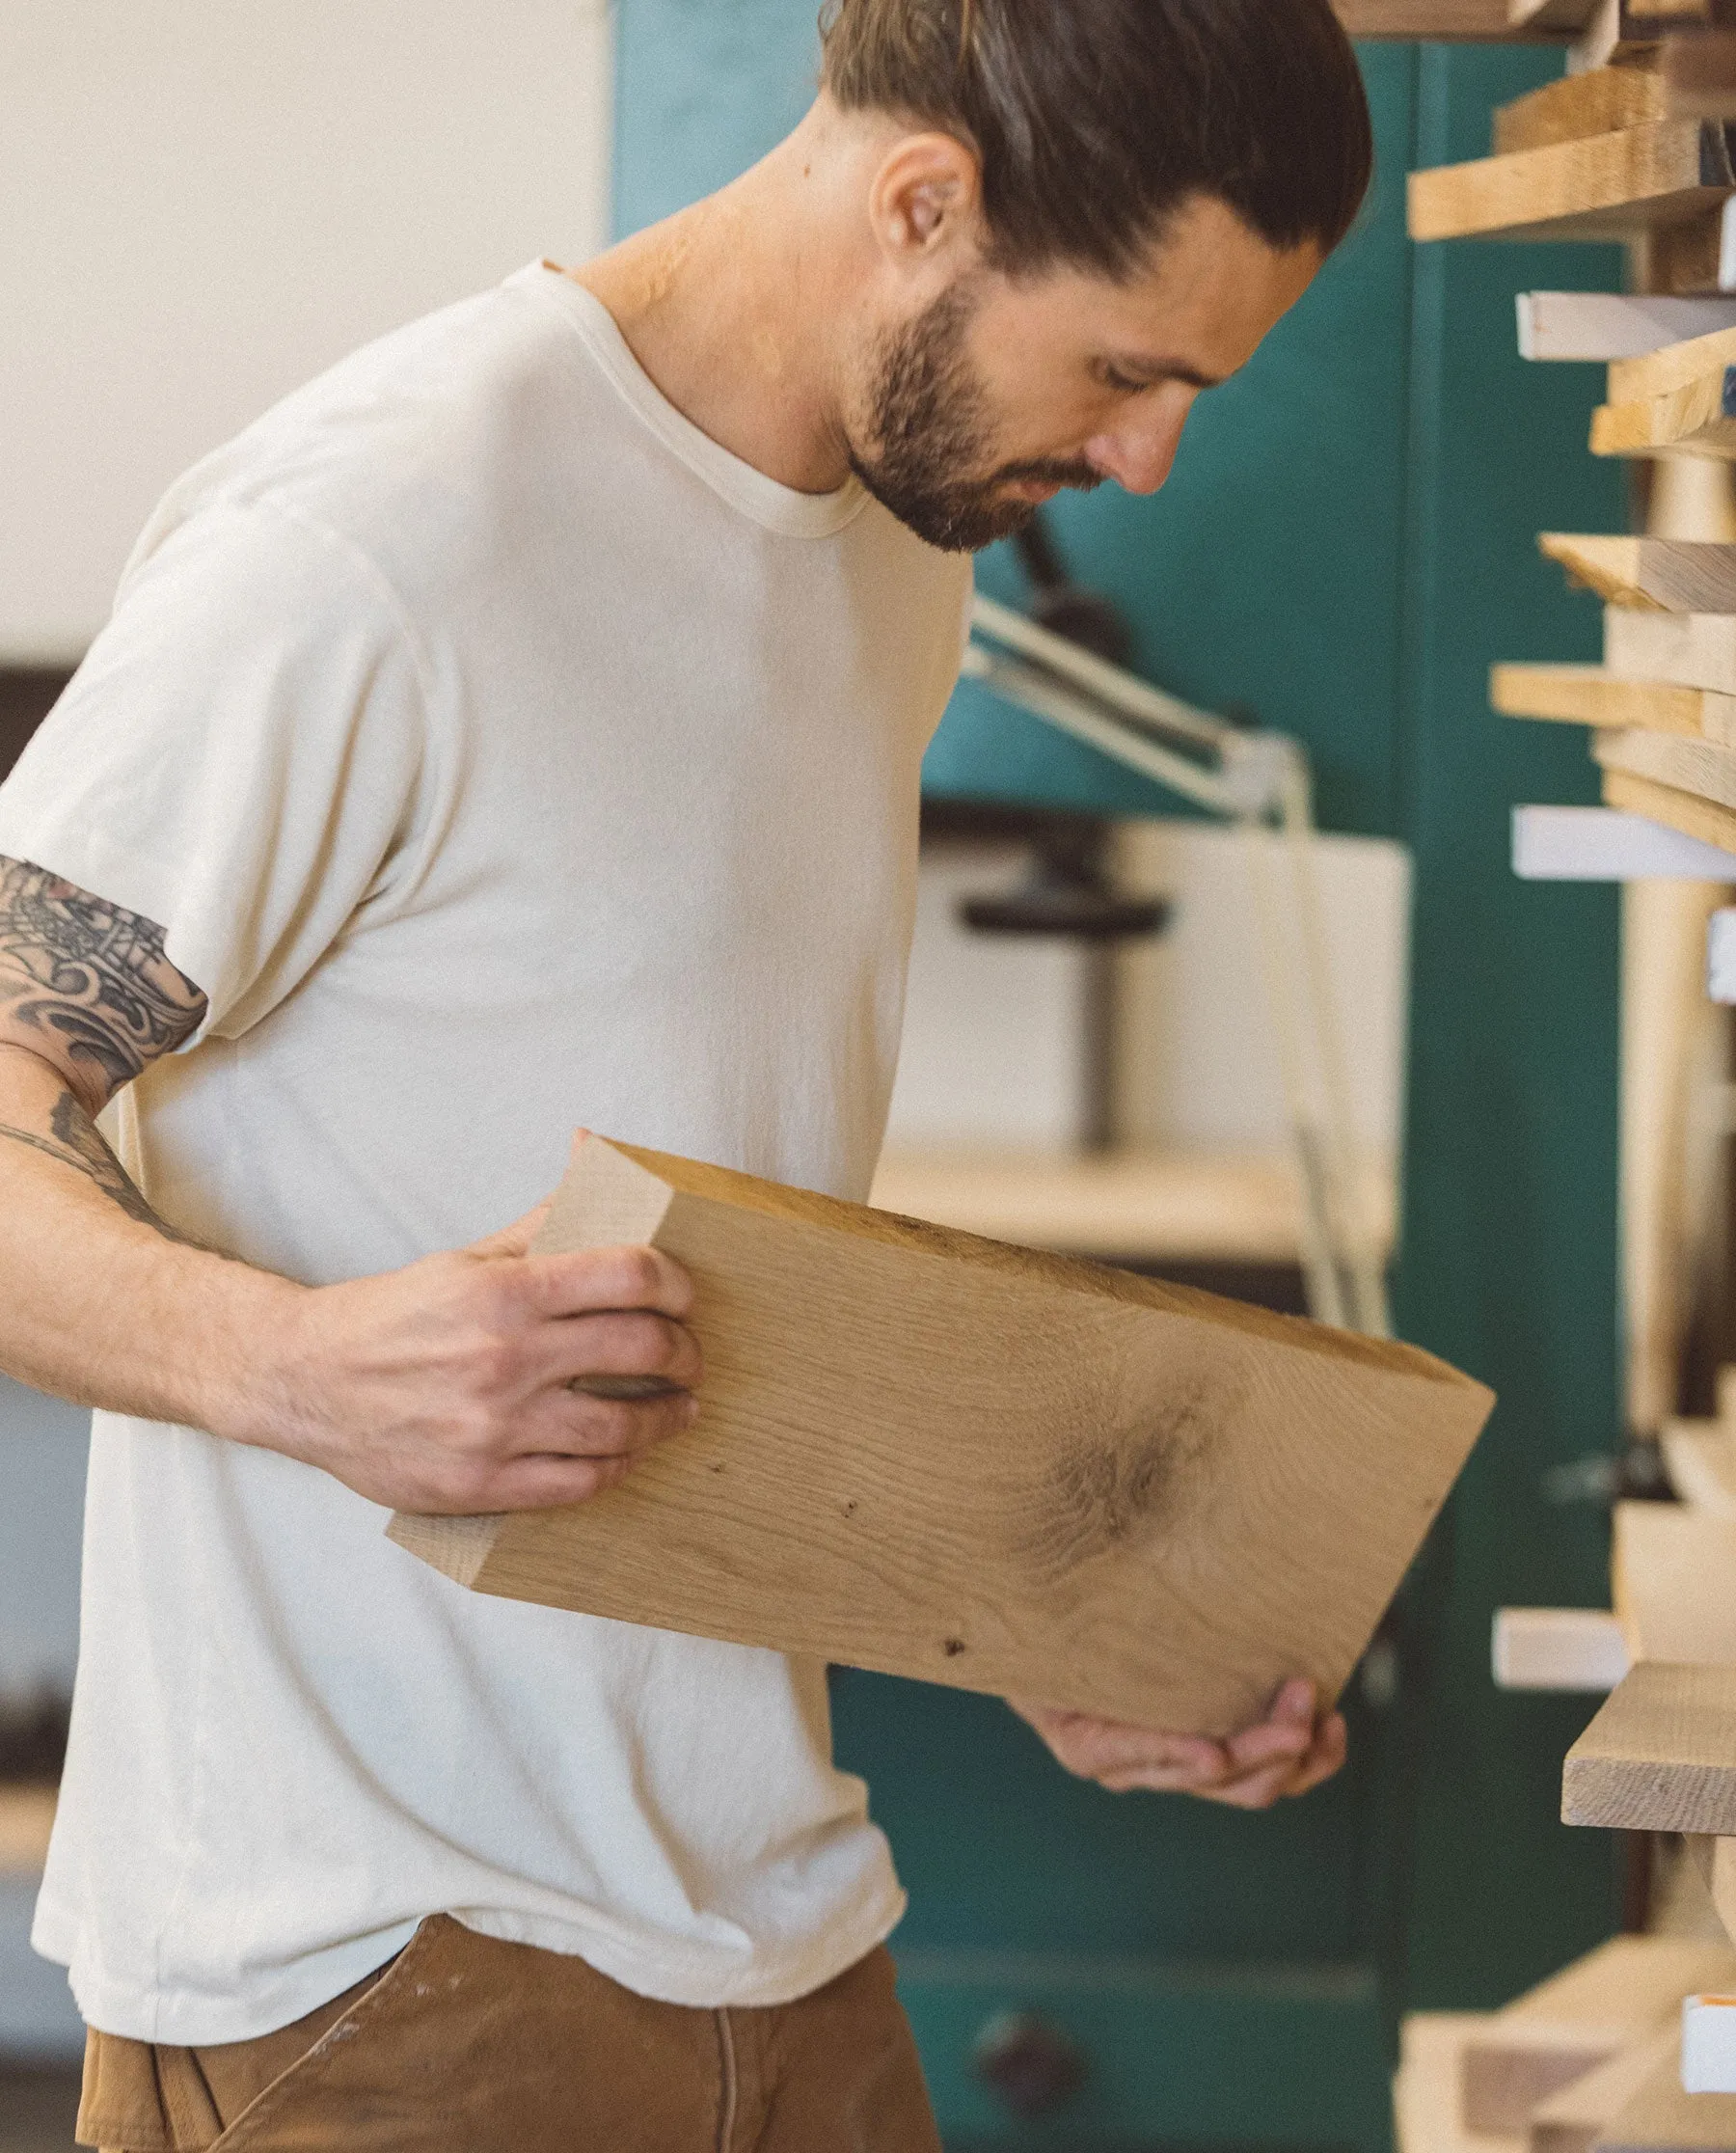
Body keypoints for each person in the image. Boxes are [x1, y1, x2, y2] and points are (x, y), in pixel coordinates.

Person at [0, 0, 1370, 2144]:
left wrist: (1016, 1611)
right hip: (379, 1974)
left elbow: (694, 1219)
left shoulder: (895, 556)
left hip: (782, 1940)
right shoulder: (379, 537)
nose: (1147, 459)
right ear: (927, 204)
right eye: (1126, 368)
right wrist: (291, 1367)